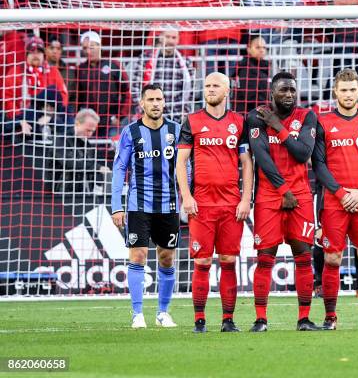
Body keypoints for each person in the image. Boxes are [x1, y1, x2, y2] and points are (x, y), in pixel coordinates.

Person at [176, 73, 253, 333]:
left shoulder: (238, 122)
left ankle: (228, 320)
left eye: (215, 86)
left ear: (227, 90)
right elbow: (180, 162)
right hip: (202, 205)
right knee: (202, 262)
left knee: (229, 260)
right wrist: (186, 196)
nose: (210, 89)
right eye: (207, 85)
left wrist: (245, 199)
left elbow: (246, 163)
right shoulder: (192, 121)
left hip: (231, 204)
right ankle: (199, 320)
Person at [312, 69, 358, 330]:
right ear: (335, 92)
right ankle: (330, 318)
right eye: (343, 90)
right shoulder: (322, 122)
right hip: (334, 202)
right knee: (332, 258)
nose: (348, 94)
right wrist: (343, 193)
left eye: (352, 89)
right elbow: (318, 164)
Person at [246, 71, 320, 332]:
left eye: (292, 90)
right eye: (283, 90)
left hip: (299, 196)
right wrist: (282, 189)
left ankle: (304, 318)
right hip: (269, 196)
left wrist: (278, 126)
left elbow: (303, 154)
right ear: (272, 93)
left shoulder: (307, 116)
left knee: (303, 256)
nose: (289, 95)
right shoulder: (255, 116)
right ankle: (260, 319)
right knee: (265, 257)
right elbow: (261, 156)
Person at [111, 83, 181, 329]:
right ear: (142, 103)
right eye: (150, 99)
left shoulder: (176, 130)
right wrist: (116, 205)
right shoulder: (131, 132)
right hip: (138, 204)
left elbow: (186, 168)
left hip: (169, 204)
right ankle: (137, 313)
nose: (155, 103)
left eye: (159, 99)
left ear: (164, 102)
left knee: (166, 258)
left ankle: (163, 312)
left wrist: (189, 196)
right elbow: (120, 168)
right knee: (138, 255)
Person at [73, 31, 131, 137]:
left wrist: (120, 117)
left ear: (99, 46)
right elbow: (77, 98)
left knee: (111, 151)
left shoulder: (114, 65)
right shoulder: (80, 69)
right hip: (89, 121)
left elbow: (126, 92)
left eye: (91, 47)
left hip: (111, 120)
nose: (88, 51)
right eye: (85, 48)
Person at [131, 29, 194, 123]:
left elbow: (191, 91)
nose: (171, 41)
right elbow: (135, 87)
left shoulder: (186, 62)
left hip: (176, 117)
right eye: (167, 37)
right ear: (160, 37)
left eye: (174, 38)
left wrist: (185, 112)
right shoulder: (145, 58)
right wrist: (143, 109)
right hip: (150, 116)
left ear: (178, 39)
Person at [44, 108, 109, 194]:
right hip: (59, 194)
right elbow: (69, 162)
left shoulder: (88, 145)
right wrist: (98, 168)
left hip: (82, 195)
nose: (90, 134)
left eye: (93, 131)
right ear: (77, 123)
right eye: (88, 130)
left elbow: (88, 172)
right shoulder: (60, 139)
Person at [232, 36, 270, 115]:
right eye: (257, 47)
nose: (261, 50)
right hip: (248, 114)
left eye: (264, 47)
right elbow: (250, 97)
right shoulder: (245, 68)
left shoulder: (266, 66)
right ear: (248, 49)